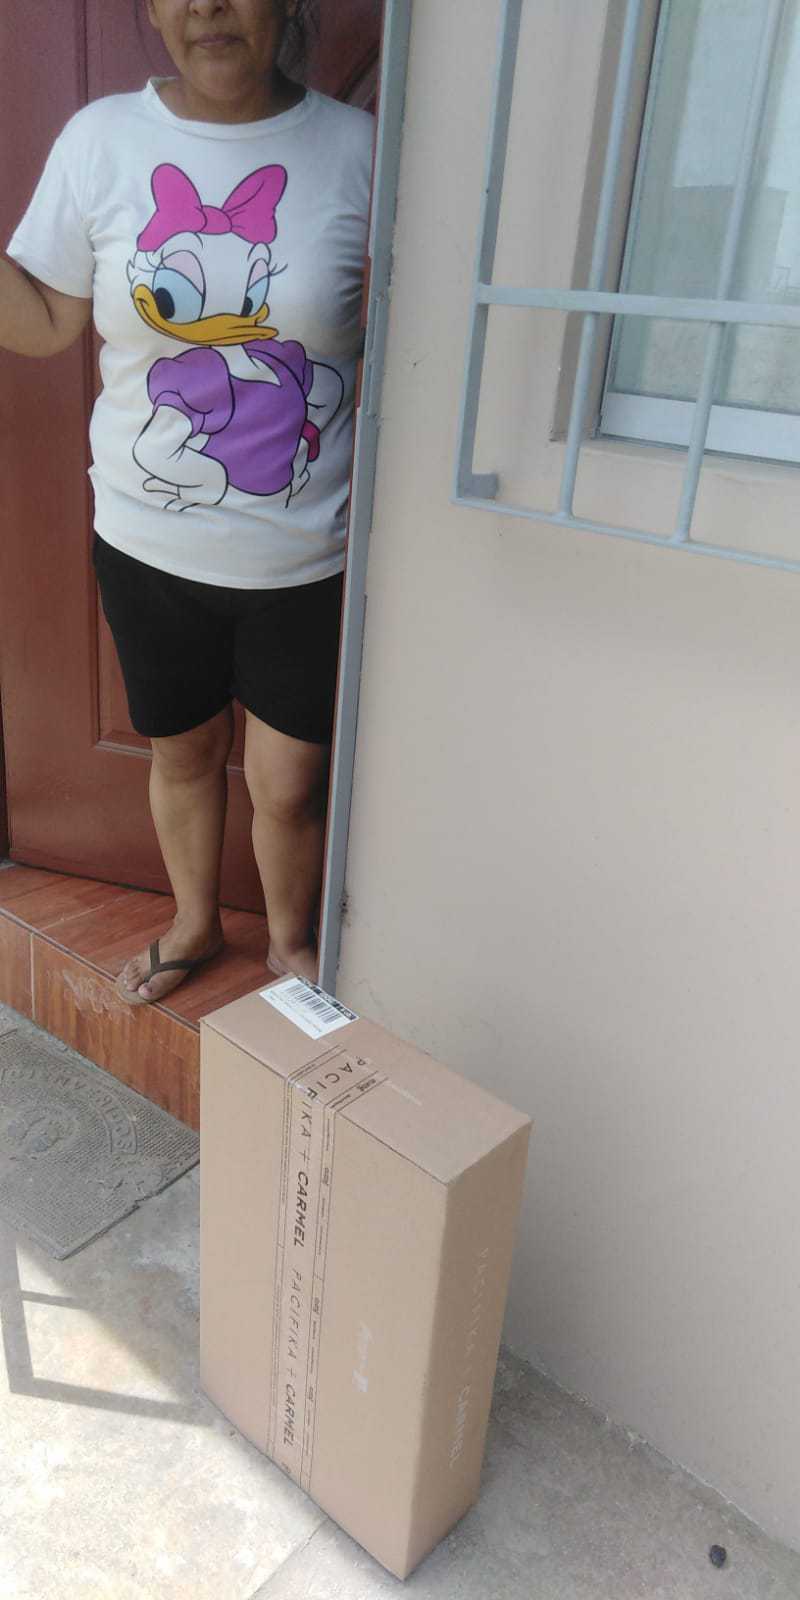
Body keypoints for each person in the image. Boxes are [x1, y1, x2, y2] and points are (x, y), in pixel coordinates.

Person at [1, 1, 374, 1003]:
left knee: (290, 784)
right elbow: (44, 325)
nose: (209, 5)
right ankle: (195, 925)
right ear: (155, 9)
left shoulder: (356, 151)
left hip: (306, 555)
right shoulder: (102, 141)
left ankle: (290, 948)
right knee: (184, 751)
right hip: (147, 547)